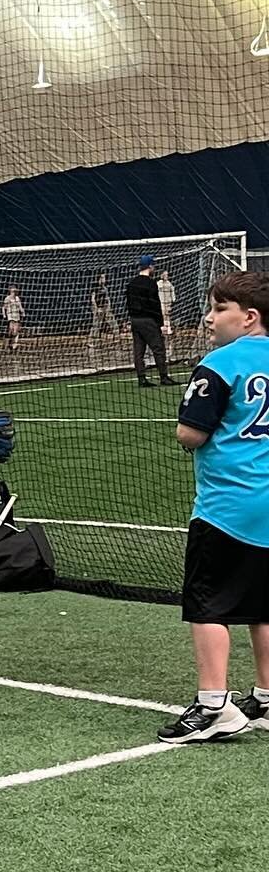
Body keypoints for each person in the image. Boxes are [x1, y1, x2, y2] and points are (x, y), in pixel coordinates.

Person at [157, 270, 269, 743]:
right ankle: (266, 698)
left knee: (208, 605)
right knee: (264, 606)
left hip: (228, 503)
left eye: (219, 308)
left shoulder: (220, 363)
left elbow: (191, 433)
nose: (209, 317)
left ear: (249, 317)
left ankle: (213, 705)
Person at [126, 254, 174, 388]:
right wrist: (161, 324)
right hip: (149, 320)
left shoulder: (131, 283)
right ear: (151, 266)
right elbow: (154, 305)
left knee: (138, 351)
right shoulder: (151, 283)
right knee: (158, 348)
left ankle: (141, 378)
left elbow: (129, 304)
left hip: (135, 320)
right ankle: (164, 377)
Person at [90, 273, 116, 342]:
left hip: (106, 308)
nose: (103, 280)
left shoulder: (105, 288)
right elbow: (92, 299)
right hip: (98, 308)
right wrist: (96, 308)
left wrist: (109, 307)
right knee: (96, 324)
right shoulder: (95, 288)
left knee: (113, 323)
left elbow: (107, 298)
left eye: (104, 278)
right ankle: (93, 340)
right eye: (101, 278)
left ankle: (116, 336)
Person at [2, 285, 24, 349]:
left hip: (16, 315)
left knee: (16, 330)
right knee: (11, 329)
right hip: (10, 315)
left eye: (15, 291)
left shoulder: (17, 298)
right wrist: (4, 314)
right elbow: (4, 307)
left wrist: (22, 311)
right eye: (12, 291)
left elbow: (20, 306)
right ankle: (9, 341)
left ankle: (15, 344)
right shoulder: (7, 298)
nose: (14, 293)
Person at [158, 269, 178, 338]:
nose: (166, 276)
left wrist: (173, 299)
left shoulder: (169, 284)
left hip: (168, 301)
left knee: (167, 315)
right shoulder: (159, 283)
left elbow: (172, 291)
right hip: (161, 301)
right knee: (163, 314)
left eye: (167, 275)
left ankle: (168, 328)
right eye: (165, 275)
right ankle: (163, 328)